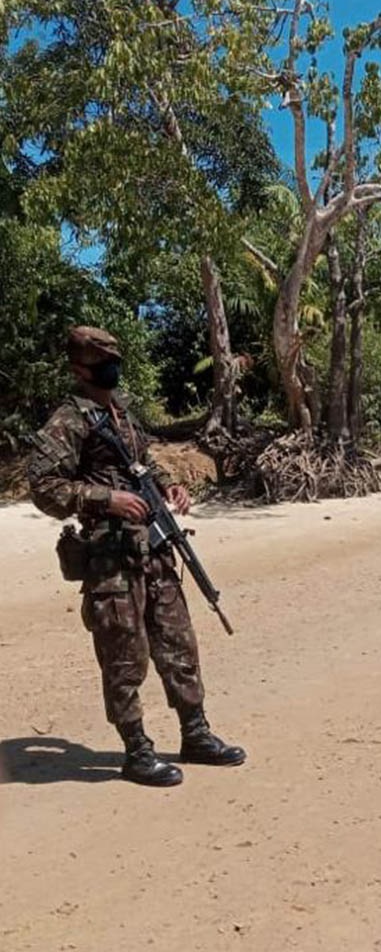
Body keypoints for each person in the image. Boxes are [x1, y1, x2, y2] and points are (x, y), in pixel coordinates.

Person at [26, 326, 246, 787]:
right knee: (124, 657)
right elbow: (44, 488)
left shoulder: (120, 411)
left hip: (156, 547)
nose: (112, 369)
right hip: (110, 557)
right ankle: (137, 751)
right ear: (78, 369)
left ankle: (196, 733)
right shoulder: (68, 421)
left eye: (114, 360)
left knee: (177, 643)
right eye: (102, 362)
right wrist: (106, 499)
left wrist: (169, 485)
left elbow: (144, 459)